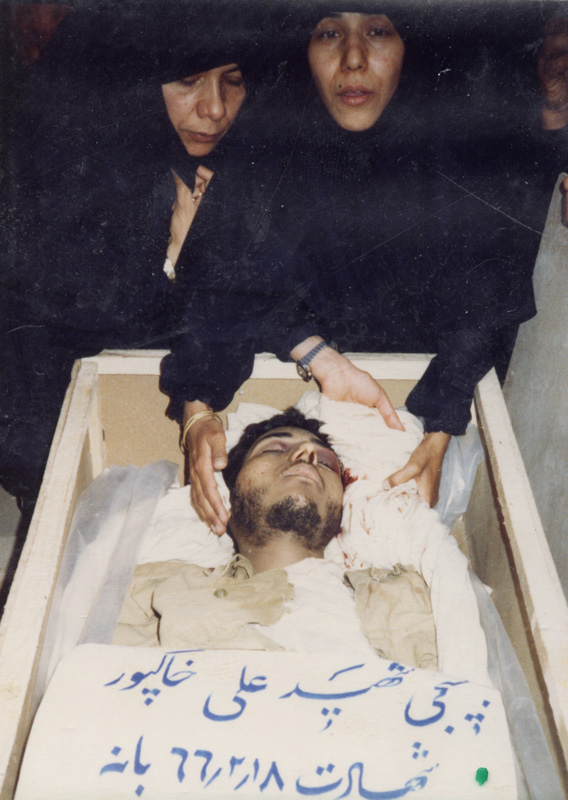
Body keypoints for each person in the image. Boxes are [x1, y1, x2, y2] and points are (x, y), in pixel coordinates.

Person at [160, 1, 539, 535]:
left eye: (378, 31)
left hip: (416, 408)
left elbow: (487, 298)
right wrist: (198, 411)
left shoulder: (460, 150)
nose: (354, 59)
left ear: (410, 46)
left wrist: (439, 427)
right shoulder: (272, 145)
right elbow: (227, 286)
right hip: (311, 386)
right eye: (330, 33)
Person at [0, 1, 265, 505]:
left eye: (232, 81)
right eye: (188, 80)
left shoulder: (238, 167)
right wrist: (181, 260)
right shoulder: (66, 169)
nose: (215, 109)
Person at [115, 407, 437, 668]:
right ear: (227, 497)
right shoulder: (156, 592)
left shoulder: (407, 597)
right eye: (273, 449)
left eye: (326, 462)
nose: (307, 453)